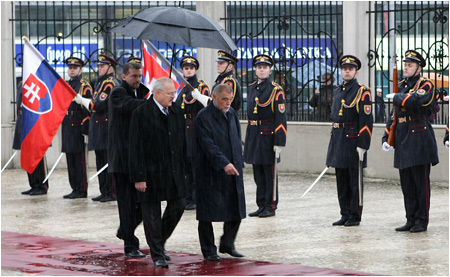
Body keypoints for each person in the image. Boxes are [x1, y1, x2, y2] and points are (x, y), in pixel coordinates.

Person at [128, 77, 186, 268]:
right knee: (151, 214)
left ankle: (159, 242)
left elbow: (182, 142)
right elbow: (135, 147)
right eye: (170, 93)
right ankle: (158, 254)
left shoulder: (176, 110)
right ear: (157, 93)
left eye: (174, 93)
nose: (173, 97)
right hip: (150, 172)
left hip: (172, 171)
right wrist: (139, 177)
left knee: (178, 205)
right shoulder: (141, 113)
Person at [382, 50, 439, 233]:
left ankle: (421, 221)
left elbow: (419, 100)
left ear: (418, 68)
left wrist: (398, 97)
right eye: (405, 65)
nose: (406, 68)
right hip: (403, 136)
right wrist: (387, 136)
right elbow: (394, 115)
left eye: (410, 65)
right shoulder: (401, 85)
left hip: (419, 136)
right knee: (406, 183)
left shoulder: (426, 84)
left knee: (420, 183)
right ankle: (411, 218)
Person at [195, 84, 246, 261]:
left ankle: (228, 243)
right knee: (207, 213)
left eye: (230, 99)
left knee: (236, 208)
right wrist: (223, 163)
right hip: (211, 171)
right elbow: (208, 145)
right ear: (214, 97)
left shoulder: (231, 113)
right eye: (224, 99)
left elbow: (236, 137)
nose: (228, 102)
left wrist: (239, 161)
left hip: (233, 168)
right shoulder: (203, 117)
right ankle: (209, 250)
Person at [107, 59, 148, 258]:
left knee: (144, 202)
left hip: (138, 159)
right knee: (126, 204)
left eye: (140, 76)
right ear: (123, 76)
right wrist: (151, 102)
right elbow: (129, 106)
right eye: (134, 76)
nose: (137, 80)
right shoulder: (117, 92)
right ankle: (130, 246)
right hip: (122, 160)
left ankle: (125, 230)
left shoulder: (141, 91)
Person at [326, 55, 373, 227]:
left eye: (350, 69)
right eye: (344, 69)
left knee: (354, 181)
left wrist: (363, 144)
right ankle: (344, 213)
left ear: (356, 72)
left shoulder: (362, 91)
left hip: (353, 141)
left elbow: (366, 120)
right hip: (339, 140)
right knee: (341, 180)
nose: (347, 71)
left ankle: (354, 215)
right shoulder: (338, 90)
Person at [244, 54, 287, 218]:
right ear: (256, 70)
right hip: (254, 134)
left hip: (268, 136)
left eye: (265, 67)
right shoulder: (251, 87)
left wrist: (279, 141)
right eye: (259, 67)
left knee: (269, 174)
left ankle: (270, 205)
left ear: (270, 71)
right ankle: (261, 204)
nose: (261, 70)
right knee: (257, 173)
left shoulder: (276, 90)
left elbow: (281, 118)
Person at [76, 53, 120, 202]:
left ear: (110, 68)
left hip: (107, 128)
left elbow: (99, 105)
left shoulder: (110, 84)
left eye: (102, 66)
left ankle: (111, 192)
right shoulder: (101, 83)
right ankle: (104, 190)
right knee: (101, 161)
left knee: (108, 162)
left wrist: (83, 101)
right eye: (99, 66)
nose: (99, 68)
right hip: (99, 128)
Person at [174, 56, 210, 211]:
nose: (188, 70)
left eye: (191, 68)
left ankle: (196, 198)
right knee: (186, 166)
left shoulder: (200, 86)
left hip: (195, 128)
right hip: (184, 129)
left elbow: (207, 108)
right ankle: (188, 197)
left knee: (196, 165)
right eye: (186, 68)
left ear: (195, 70)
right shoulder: (182, 88)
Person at [62, 57, 92, 199]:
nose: (72, 70)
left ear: (80, 69)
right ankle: (74, 187)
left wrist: (86, 127)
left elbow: (88, 108)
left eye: (75, 67)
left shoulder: (84, 86)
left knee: (79, 160)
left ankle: (81, 189)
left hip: (78, 126)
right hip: (67, 125)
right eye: (70, 67)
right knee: (70, 159)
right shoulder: (65, 85)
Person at [13, 81, 49, 195]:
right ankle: (33, 184)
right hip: (24, 123)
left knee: (38, 156)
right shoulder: (21, 84)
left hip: (35, 124)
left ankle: (42, 185)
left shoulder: (37, 82)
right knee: (28, 156)